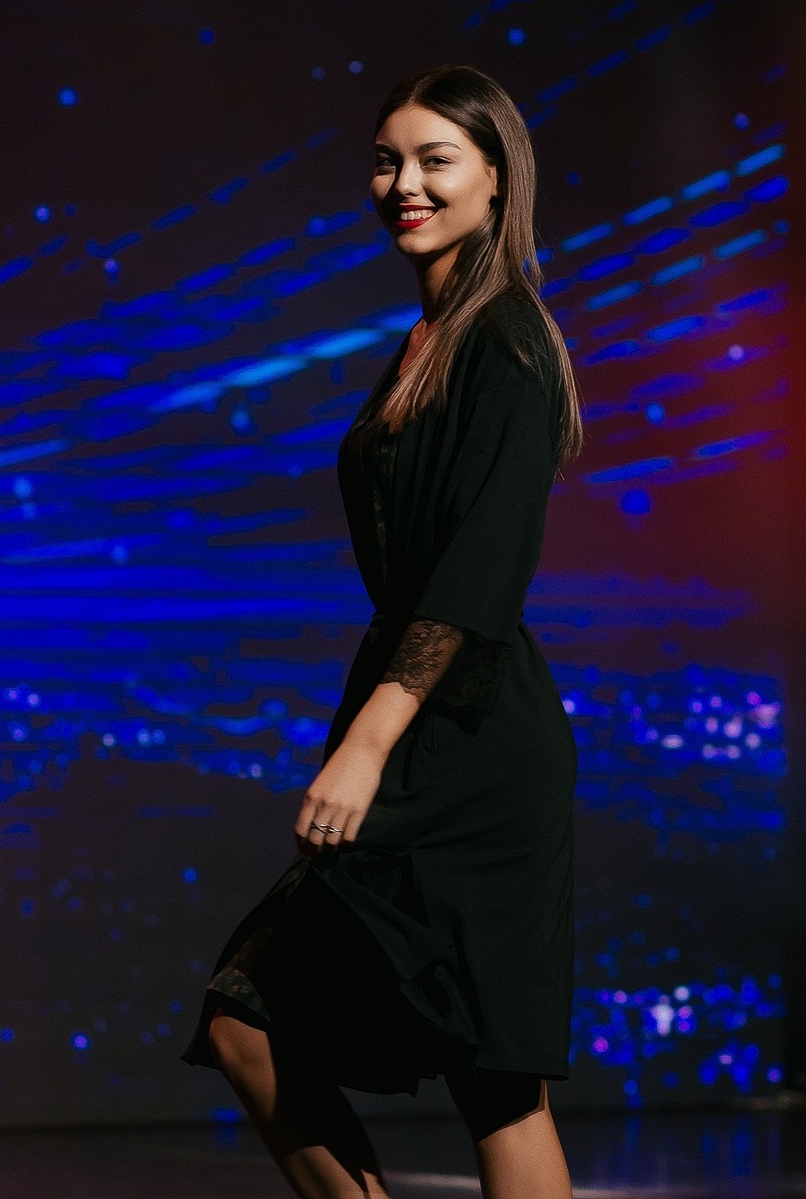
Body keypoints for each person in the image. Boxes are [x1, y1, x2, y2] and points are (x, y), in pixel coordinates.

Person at [179, 63, 585, 1199]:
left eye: (435, 160)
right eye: (386, 161)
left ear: (497, 178)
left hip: (472, 748)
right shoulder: (431, 339)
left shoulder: (507, 344)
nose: (404, 184)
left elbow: (477, 571)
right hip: (423, 726)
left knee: (495, 1078)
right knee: (246, 1024)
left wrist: (366, 744)